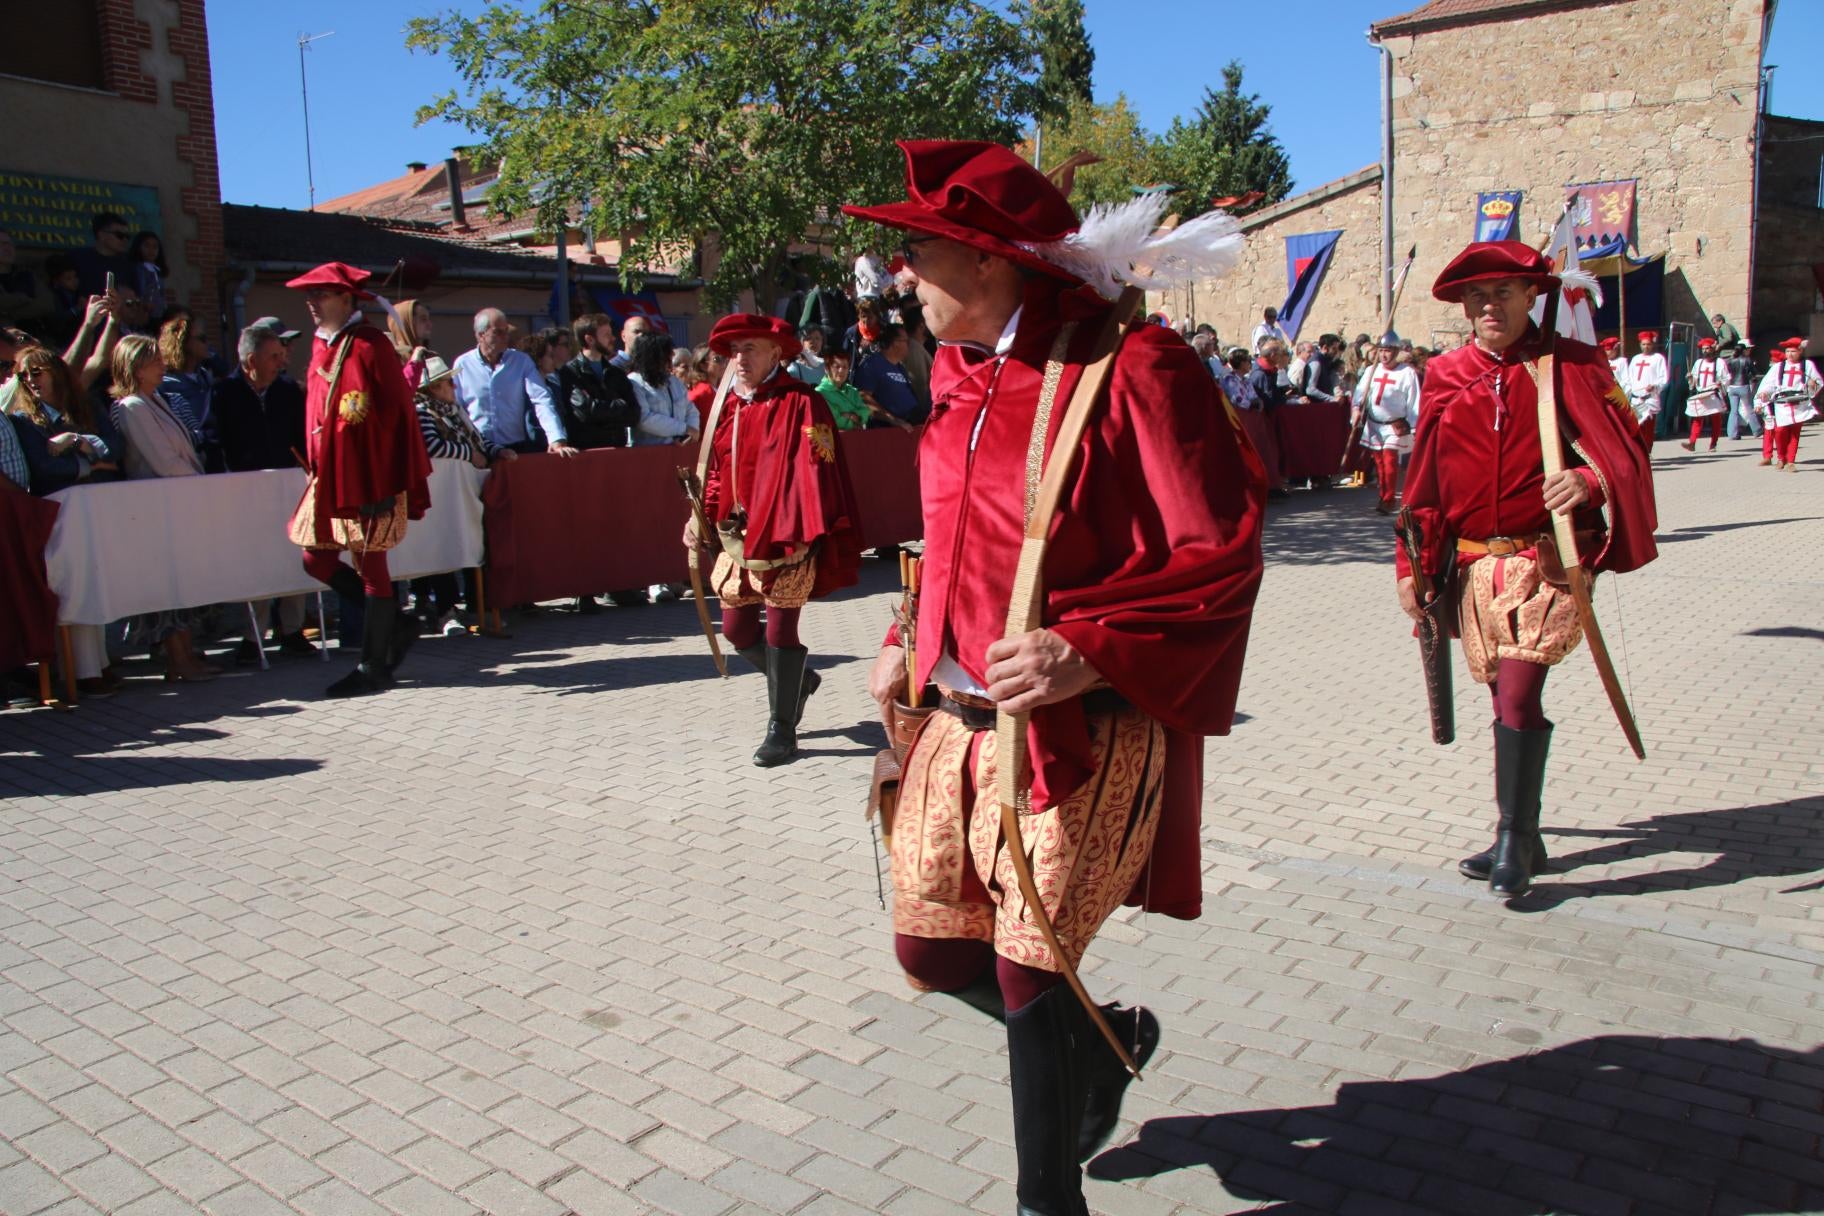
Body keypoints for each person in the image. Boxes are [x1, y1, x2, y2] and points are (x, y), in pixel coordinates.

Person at [845, 140, 1265, 1216]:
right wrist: (912, 624)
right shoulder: (957, 372)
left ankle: (1048, 1201)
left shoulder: (1134, 366)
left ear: (988, 264)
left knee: (1030, 965)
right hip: (958, 717)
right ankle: (1107, 1042)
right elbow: (962, 536)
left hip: (1082, 724)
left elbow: (1219, 551)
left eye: (919, 253)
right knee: (930, 950)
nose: (904, 276)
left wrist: (1091, 649)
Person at [1397, 240, 1656, 900]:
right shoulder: (1445, 374)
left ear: (1530, 297)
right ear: (1463, 305)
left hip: (1544, 564)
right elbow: (1423, 483)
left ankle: (1513, 839)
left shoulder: (1569, 365)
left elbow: (1628, 447)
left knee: (1518, 696)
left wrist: (1588, 480)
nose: (1490, 306)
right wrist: (1411, 566)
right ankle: (1524, 834)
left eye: (1504, 293)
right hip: (1473, 571)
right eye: (1478, 297)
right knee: (1500, 698)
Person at [685, 313, 862, 767]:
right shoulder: (731, 406)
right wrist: (700, 518)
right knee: (737, 630)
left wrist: (806, 531)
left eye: (749, 350)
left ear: (775, 354)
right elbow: (717, 472)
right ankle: (798, 681)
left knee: (782, 630)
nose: (738, 359)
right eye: (735, 351)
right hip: (738, 538)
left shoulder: (803, 403)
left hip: (788, 534)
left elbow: (819, 468)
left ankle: (782, 729)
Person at [283, 262, 433, 698]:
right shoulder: (322, 345)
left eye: (320, 296)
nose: (311, 304)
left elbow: (394, 411)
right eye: (309, 297)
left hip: (367, 474)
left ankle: (373, 667)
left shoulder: (368, 345)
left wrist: (383, 479)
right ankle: (398, 624)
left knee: (371, 565)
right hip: (328, 475)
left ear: (346, 299)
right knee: (317, 559)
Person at [108, 335, 223, 683]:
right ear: (136, 367)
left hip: (177, 504)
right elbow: (163, 460)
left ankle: (187, 655)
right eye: (155, 360)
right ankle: (177, 659)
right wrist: (197, 482)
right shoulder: (131, 407)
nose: (163, 365)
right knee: (168, 585)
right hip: (157, 508)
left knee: (183, 583)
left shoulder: (155, 399)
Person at [414, 354, 515, 631]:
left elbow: (479, 440)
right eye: (447, 382)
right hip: (442, 497)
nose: (453, 387)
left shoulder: (456, 412)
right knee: (445, 550)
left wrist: (497, 452)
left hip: (467, 492)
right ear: (433, 387)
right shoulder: (422, 412)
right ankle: (447, 609)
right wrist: (468, 454)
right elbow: (432, 448)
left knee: (475, 547)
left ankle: (477, 606)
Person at [454, 309, 575, 457]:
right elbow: (457, 408)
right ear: (481, 335)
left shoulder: (521, 361)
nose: (505, 337)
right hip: (479, 448)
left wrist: (556, 438)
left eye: (506, 331)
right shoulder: (463, 364)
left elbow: (541, 399)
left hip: (515, 448)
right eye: (498, 332)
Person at [8, 345, 121, 496]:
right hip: (63, 504)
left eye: (36, 372)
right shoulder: (22, 420)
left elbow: (117, 447)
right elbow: (44, 467)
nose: (29, 380)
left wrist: (77, 441)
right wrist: (92, 465)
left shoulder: (89, 405)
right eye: (23, 376)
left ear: (56, 373)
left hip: (105, 496)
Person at [1351, 331, 1421, 513]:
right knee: (1379, 462)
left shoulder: (1407, 373)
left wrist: (1414, 425)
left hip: (1394, 425)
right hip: (1375, 423)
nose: (1384, 354)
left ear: (1396, 351)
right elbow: (1360, 392)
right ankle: (1383, 495)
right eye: (1381, 350)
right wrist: (1357, 408)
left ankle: (1389, 499)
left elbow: (1414, 400)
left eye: (1388, 350)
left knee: (1390, 460)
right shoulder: (1371, 370)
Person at [557, 313, 640, 451]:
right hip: (586, 453)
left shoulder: (616, 373)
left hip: (616, 449)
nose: (613, 338)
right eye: (606, 335)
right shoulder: (570, 373)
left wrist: (604, 412)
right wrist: (619, 407)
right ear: (590, 339)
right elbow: (585, 412)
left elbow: (634, 414)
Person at [156, 313, 219, 470]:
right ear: (183, 341)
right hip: (188, 459)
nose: (207, 344)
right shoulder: (165, 384)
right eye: (202, 339)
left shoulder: (206, 377)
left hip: (213, 454)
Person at [1753, 337, 1820, 471]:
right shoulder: (1779, 367)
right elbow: (1768, 384)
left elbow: (1817, 382)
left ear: (1800, 351)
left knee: (1795, 433)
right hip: (1782, 403)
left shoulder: (1808, 365)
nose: (1790, 354)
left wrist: (1813, 385)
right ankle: (1781, 457)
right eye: (1788, 351)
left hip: (1800, 403)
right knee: (1780, 430)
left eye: (1793, 351)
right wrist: (1764, 394)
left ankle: (1791, 461)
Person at [851, 322, 925, 425]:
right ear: (895, 343)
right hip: (888, 431)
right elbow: (863, 397)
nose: (909, 345)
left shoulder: (900, 368)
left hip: (912, 425)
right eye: (906, 341)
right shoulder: (872, 364)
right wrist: (893, 419)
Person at [69, 212, 135, 301]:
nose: (125, 240)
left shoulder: (129, 265)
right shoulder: (77, 258)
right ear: (101, 235)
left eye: (127, 236)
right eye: (119, 235)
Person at [1681, 337, 1729, 452]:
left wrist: (1721, 384)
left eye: (1707, 348)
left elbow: (1726, 378)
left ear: (1712, 349)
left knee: (1716, 420)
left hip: (1713, 394)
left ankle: (1713, 444)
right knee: (1697, 419)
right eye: (1703, 349)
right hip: (1701, 393)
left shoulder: (1720, 362)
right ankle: (1692, 442)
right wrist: (1690, 378)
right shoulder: (1699, 363)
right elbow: (1694, 380)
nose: (1705, 351)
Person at [1624, 329, 1668, 447]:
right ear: (1640, 345)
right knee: (1636, 427)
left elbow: (1663, 378)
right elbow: (1629, 378)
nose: (1646, 346)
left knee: (1648, 428)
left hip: (1650, 398)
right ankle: (1639, 452)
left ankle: (1648, 452)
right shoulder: (1635, 359)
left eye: (1648, 344)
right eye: (1643, 344)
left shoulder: (1658, 358)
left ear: (1652, 344)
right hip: (1636, 398)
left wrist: (1654, 386)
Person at [813, 345, 869, 431]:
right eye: (837, 367)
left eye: (845, 367)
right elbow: (835, 420)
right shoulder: (820, 393)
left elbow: (865, 412)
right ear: (827, 369)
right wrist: (855, 420)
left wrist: (848, 416)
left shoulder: (852, 391)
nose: (841, 371)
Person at [387, 298, 437, 391]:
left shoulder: (430, 357)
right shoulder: (391, 359)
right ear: (406, 323)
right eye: (423, 319)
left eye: (428, 319)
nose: (429, 325)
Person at [1724, 341, 1759, 441]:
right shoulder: (1747, 360)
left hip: (1732, 387)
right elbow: (1754, 372)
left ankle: (1732, 433)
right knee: (1749, 408)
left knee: (1733, 411)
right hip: (1743, 385)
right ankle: (1756, 430)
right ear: (1743, 350)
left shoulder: (1730, 361)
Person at [129, 232, 167, 321]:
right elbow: (141, 290)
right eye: (147, 246)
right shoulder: (139, 269)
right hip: (144, 313)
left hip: (158, 314)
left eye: (155, 247)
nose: (151, 250)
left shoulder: (157, 270)